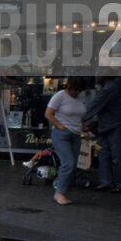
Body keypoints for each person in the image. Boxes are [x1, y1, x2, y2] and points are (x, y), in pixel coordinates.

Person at [84, 75, 121, 193]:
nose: (96, 76)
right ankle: (106, 182)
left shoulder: (110, 88)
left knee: (116, 156)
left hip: (115, 125)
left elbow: (94, 105)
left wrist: (79, 116)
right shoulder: (109, 87)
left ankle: (120, 184)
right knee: (103, 155)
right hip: (106, 126)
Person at [46, 76, 87, 206]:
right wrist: (59, 126)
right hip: (62, 134)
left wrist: (84, 129)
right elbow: (48, 114)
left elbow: (79, 116)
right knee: (68, 162)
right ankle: (59, 193)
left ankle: (62, 190)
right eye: (74, 89)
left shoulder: (80, 98)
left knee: (72, 164)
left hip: (75, 134)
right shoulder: (59, 97)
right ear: (69, 87)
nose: (76, 92)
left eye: (78, 90)